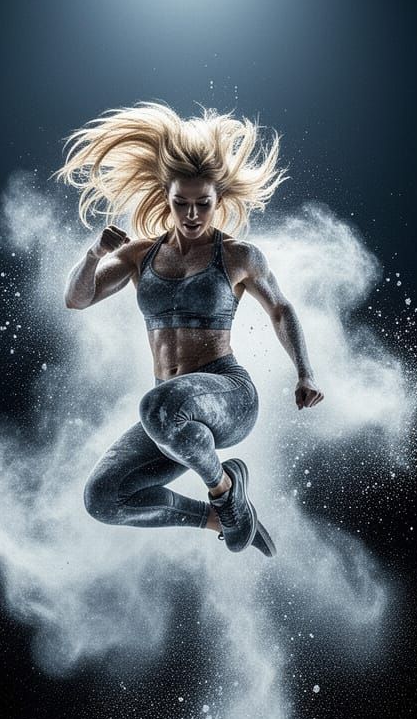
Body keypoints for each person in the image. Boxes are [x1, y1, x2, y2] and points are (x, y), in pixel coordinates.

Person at [53, 100, 323, 556]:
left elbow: (280, 308)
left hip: (228, 397)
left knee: (157, 405)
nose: (192, 215)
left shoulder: (238, 256)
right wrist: (94, 255)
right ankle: (220, 514)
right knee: (102, 498)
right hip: (173, 419)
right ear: (167, 200)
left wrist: (305, 372)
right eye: (181, 204)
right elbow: (77, 299)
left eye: (202, 205)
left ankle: (225, 486)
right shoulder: (140, 256)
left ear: (218, 201)